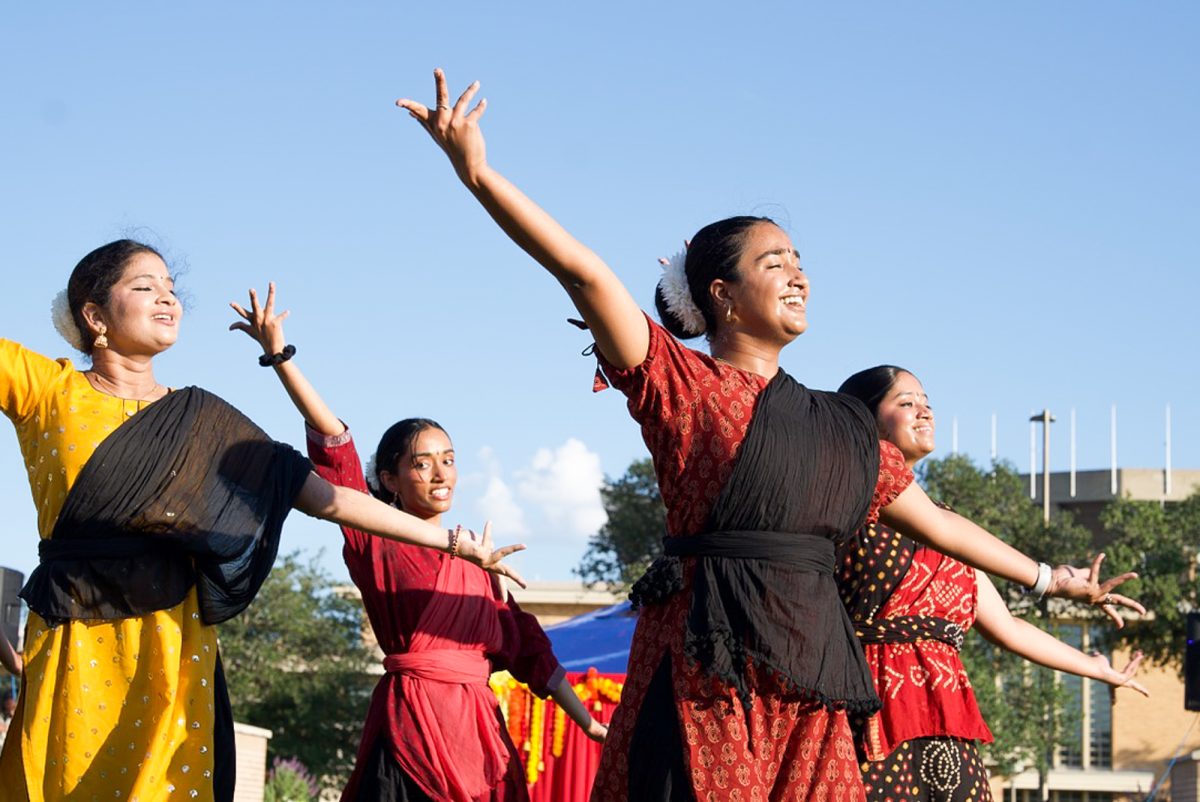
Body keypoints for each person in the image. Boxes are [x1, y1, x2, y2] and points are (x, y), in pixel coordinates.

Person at [394, 70, 1143, 802]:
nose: (798, 276)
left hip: (815, 668)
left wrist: (1051, 580)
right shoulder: (680, 383)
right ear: (721, 294)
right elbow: (585, 273)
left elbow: (939, 523)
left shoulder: (844, 424)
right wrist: (479, 174)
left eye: (801, 262)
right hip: (707, 663)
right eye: (773, 262)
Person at [0, 239, 525, 802]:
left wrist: (451, 541)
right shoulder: (47, 391)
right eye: (146, 286)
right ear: (94, 315)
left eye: (172, 290)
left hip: (171, 645)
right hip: (71, 637)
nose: (168, 299)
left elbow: (329, 498)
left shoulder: (203, 422)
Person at [229, 284, 607, 802]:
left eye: (448, 459)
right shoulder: (374, 535)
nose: (439, 473)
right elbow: (334, 447)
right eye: (421, 462)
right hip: (408, 728)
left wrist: (587, 722)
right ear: (389, 479)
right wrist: (279, 356)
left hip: (477, 734)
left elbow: (529, 648)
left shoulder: (481, 554)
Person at [836, 366, 1147, 802]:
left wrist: (1094, 668)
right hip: (867, 715)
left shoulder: (953, 528)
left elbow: (1009, 628)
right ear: (863, 420)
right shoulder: (845, 499)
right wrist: (1049, 579)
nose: (925, 412)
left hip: (948, 724)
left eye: (928, 403)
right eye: (906, 403)